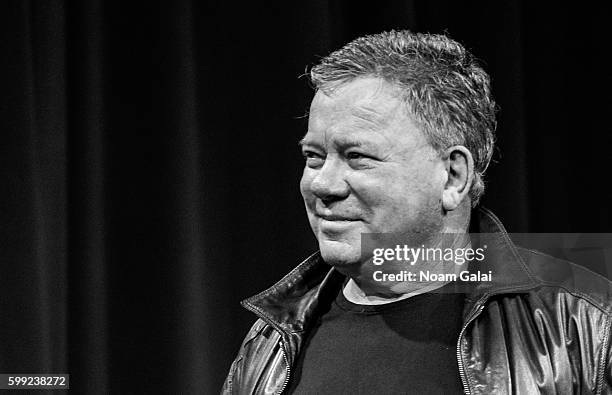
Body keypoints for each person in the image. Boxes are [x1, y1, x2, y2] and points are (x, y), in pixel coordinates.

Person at [221, 30, 612, 394]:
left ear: (452, 177)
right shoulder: (271, 340)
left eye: (357, 157)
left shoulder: (583, 323)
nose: (322, 185)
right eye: (314, 157)